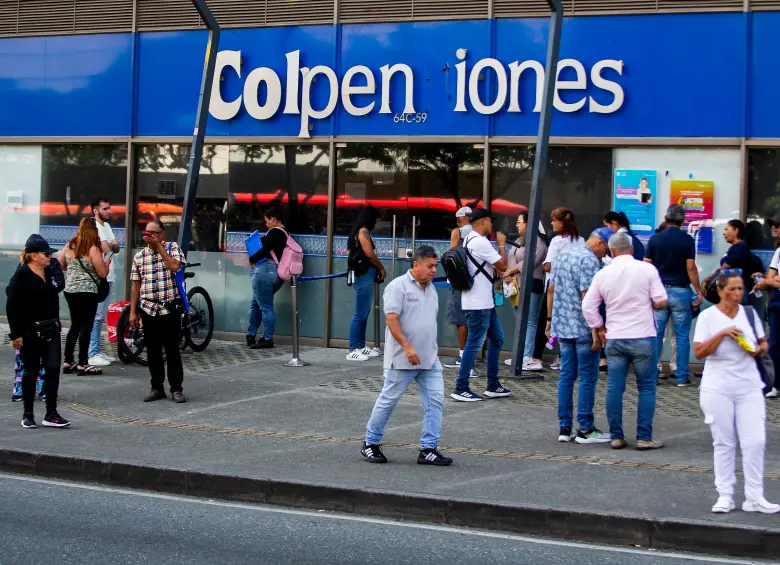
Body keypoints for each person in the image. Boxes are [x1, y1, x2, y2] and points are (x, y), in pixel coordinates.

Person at [693, 271, 779, 514]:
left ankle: (755, 496)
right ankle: (725, 495)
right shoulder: (708, 317)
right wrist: (721, 334)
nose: (737, 294)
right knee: (724, 442)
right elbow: (700, 352)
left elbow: (763, 344)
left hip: (749, 385)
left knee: (755, 441)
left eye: (740, 289)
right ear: (720, 291)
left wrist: (756, 349)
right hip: (717, 387)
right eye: (732, 289)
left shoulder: (749, 313)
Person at [361, 246, 452, 466]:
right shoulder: (397, 287)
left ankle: (428, 449)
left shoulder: (431, 289)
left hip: (429, 359)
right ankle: (370, 443)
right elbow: (391, 320)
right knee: (388, 401)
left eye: (435, 266)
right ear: (416, 264)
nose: (433, 270)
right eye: (429, 266)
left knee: (435, 402)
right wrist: (408, 347)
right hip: (402, 358)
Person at [583, 232, 668, 451]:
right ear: (631, 249)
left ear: (611, 251)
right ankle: (644, 437)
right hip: (643, 336)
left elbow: (588, 306)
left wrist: (599, 326)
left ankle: (617, 436)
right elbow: (660, 301)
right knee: (647, 387)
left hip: (615, 337)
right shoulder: (647, 270)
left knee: (614, 387)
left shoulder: (603, 274)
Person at [547, 227, 613, 444]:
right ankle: (585, 428)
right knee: (587, 377)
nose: (606, 254)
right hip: (583, 327)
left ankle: (564, 427)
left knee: (566, 376)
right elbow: (589, 299)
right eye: (607, 249)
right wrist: (597, 330)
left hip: (563, 326)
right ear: (600, 243)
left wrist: (550, 319)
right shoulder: (589, 261)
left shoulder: (563, 255)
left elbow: (552, 289)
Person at [6, 234, 70, 428]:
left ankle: (51, 413)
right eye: (45, 253)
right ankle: (28, 414)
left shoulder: (50, 270)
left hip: (51, 327)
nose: (49, 256)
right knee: (31, 371)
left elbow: (59, 285)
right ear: (33, 255)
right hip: (30, 330)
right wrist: (15, 334)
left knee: (52, 369)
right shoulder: (22, 275)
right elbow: (12, 305)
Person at [451, 208, 511, 402]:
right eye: (490, 222)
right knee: (473, 344)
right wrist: (501, 246)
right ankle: (461, 387)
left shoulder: (468, 239)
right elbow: (502, 265)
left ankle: (493, 384)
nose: (492, 225)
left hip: (484, 302)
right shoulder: (480, 241)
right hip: (478, 304)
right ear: (483, 222)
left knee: (497, 339)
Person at [129, 220, 187, 403]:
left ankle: (176, 389)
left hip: (168, 307)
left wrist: (160, 249)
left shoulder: (173, 248)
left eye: (153, 233)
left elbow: (175, 267)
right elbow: (136, 286)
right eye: (146, 233)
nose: (149, 236)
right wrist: (132, 312)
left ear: (162, 234)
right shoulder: (139, 257)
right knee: (152, 350)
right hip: (148, 308)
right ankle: (157, 387)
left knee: (172, 350)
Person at [646, 204, 703, 387]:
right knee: (681, 335)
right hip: (681, 291)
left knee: (656, 334)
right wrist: (698, 290)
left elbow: (647, 266)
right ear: (683, 220)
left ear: (665, 217)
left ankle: (652, 374)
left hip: (659, 292)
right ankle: (681, 377)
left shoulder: (654, 239)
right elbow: (691, 267)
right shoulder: (687, 240)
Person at [58, 217, 109, 377]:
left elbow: (60, 264)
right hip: (87, 292)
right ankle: (83, 363)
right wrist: (106, 265)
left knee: (75, 325)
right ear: (93, 230)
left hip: (70, 290)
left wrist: (73, 270)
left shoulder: (69, 246)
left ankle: (68, 361)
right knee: (86, 326)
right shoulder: (93, 248)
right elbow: (102, 273)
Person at [503, 210, 548, 371]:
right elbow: (511, 257)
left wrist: (511, 270)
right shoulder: (520, 240)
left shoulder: (539, 241)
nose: (517, 224)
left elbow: (531, 261)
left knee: (529, 321)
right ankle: (519, 354)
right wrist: (509, 272)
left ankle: (527, 356)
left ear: (528, 223)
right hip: (516, 284)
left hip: (532, 284)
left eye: (519, 221)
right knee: (520, 320)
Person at [543, 208, 585, 371]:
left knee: (557, 323)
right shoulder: (580, 240)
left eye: (554, 220)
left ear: (562, 223)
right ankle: (571, 359)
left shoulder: (557, 241)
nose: (552, 223)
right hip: (576, 288)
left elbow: (548, 266)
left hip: (557, 289)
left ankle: (563, 358)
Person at [346, 206, 386, 361]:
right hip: (363, 274)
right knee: (360, 313)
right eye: (376, 219)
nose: (376, 223)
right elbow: (369, 254)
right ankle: (352, 349)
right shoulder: (363, 232)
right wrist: (381, 267)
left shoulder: (357, 232)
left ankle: (360, 346)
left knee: (364, 312)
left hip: (362, 274)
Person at [246, 206, 289, 349]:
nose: (266, 224)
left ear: (273, 219)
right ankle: (251, 335)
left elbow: (264, 250)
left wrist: (252, 258)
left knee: (264, 306)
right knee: (258, 304)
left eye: (267, 221)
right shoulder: (285, 233)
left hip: (265, 271)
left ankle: (267, 338)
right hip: (277, 274)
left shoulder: (274, 232)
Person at [88, 198, 120, 367]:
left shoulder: (106, 226)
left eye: (109, 208)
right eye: (105, 209)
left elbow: (116, 246)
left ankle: (97, 351)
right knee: (96, 316)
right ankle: (92, 353)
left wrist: (111, 245)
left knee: (100, 317)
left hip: (108, 275)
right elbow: (108, 248)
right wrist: (111, 245)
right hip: (99, 276)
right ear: (95, 210)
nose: (109, 211)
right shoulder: (93, 227)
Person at [443, 206, 473, 370]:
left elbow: (451, 256)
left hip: (460, 281)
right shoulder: (479, 233)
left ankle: (463, 355)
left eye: (458, 219)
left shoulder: (458, 232)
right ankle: (471, 353)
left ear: (461, 218)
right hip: (476, 281)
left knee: (460, 318)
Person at [752, 223, 780, 399]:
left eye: (778, 225)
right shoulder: (778, 251)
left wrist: (771, 281)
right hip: (776, 301)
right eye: (772, 225)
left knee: (775, 343)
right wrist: (772, 280)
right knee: (775, 343)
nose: (773, 228)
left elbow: (770, 280)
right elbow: (770, 277)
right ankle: (773, 383)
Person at [721, 219, 760, 305]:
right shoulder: (738, 247)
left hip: (736, 291)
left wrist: (708, 279)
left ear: (736, 231)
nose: (724, 233)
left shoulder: (739, 248)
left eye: (726, 229)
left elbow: (724, 269)